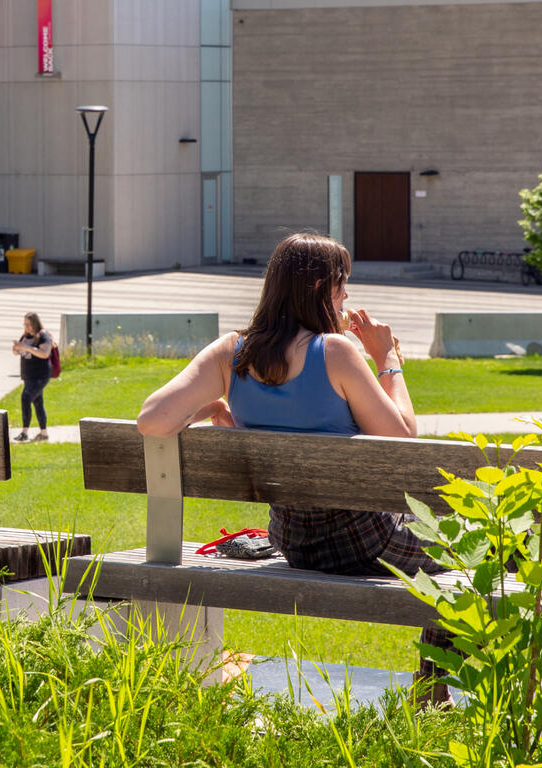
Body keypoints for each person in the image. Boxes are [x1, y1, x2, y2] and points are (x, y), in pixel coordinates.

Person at [135, 232, 450, 695]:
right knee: (486, 546)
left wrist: (214, 407)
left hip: (292, 540)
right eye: (343, 286)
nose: (347, 298)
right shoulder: (337, 352)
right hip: (366, 542)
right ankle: (434, 686)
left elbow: (151, 420)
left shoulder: (231, 353)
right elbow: (403, 440)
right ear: (323, 288)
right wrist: (388, 358)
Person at [11, 312, 56, 442]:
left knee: (26, 398)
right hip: (28, 375)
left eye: (29, 324)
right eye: (25, 324)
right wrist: (16, 349)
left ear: (35, 323)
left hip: (40, 375)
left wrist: (27, 347)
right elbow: (19, 351)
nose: (27, 327)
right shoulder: (25, 336)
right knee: (38, 402)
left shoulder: (43, 336)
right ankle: (44, 433)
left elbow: (44, 353)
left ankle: (24, 432)